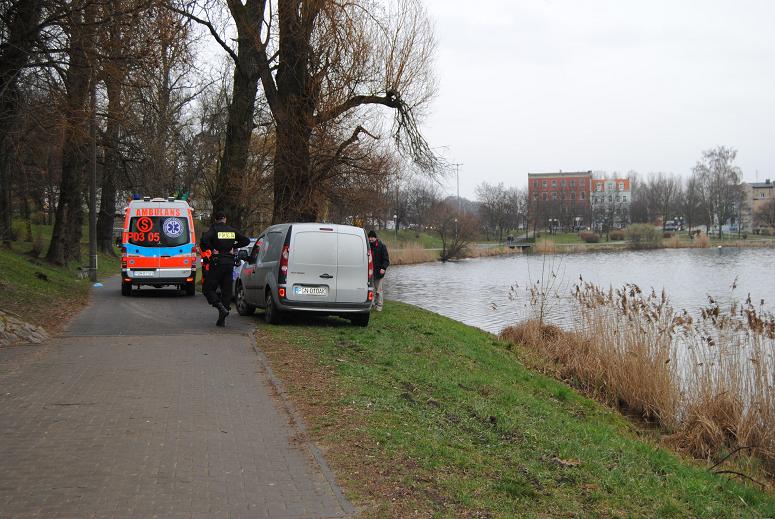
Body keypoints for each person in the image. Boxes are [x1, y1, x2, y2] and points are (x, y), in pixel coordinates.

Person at [200, 211, 250, 326]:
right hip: (229, 263)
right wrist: (234, 246)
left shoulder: (214, 229)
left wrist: (212, 248)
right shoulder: (232, 230)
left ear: (216, 219)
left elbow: (204, 240)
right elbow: (246, 240)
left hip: (217, 263)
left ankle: (220, 307)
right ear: (225, 219)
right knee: (226, 291)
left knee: (207, 289)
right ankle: (222, 320)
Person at [368, 230, 389, 312]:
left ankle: (379, 306)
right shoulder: (368, 246)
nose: (370, 239)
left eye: (372, 237)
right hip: (369, 272)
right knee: (371, 289)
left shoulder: (381, 246)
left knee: (378, 290)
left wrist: (383, 268)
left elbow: (386, 259)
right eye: (369, 237)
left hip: (378, 272)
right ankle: (372, 304)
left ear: (375, 238)